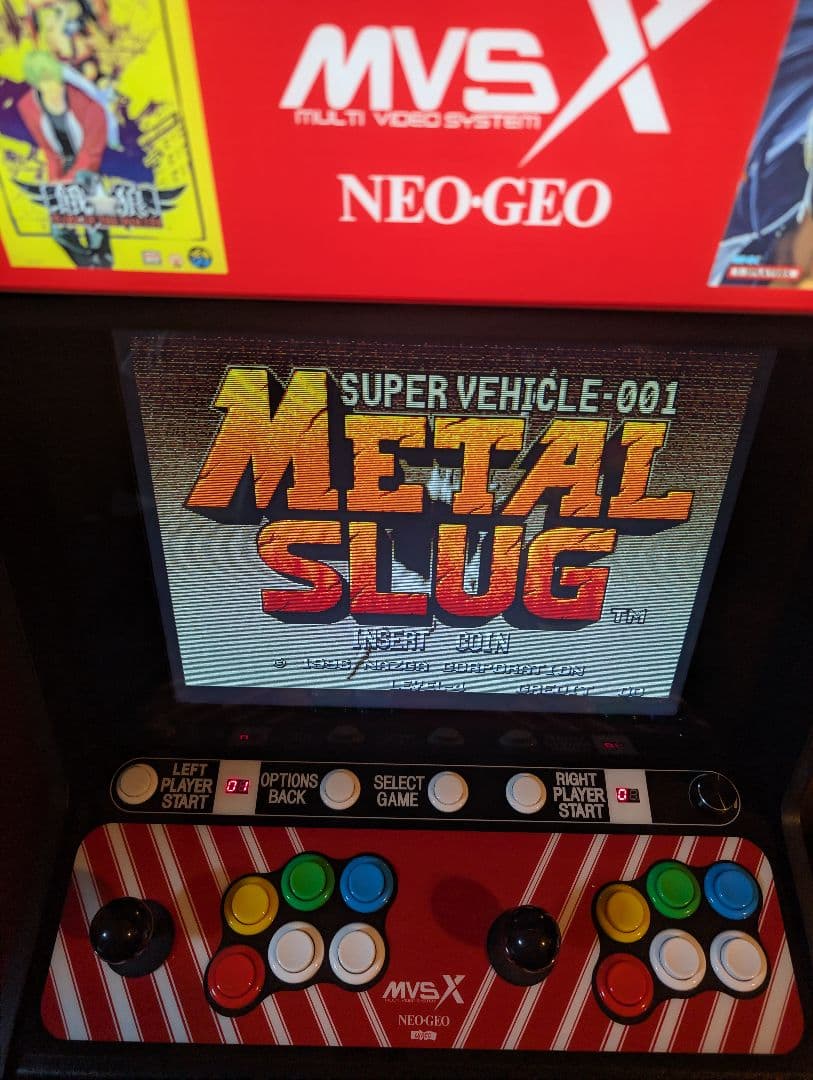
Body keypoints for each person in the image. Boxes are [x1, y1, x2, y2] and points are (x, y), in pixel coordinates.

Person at [17, 49, 112, 266]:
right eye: (43, 83)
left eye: (54, 81)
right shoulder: (28, 106)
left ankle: (103, 264)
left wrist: (71, 179)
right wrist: (55, 181)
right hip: (63, 167)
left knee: (97, 223)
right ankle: (86, 266)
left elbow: (91, 152)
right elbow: (49, 151)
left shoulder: (89, 105)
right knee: (59, 230)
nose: (52, 89)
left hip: (90, 167)